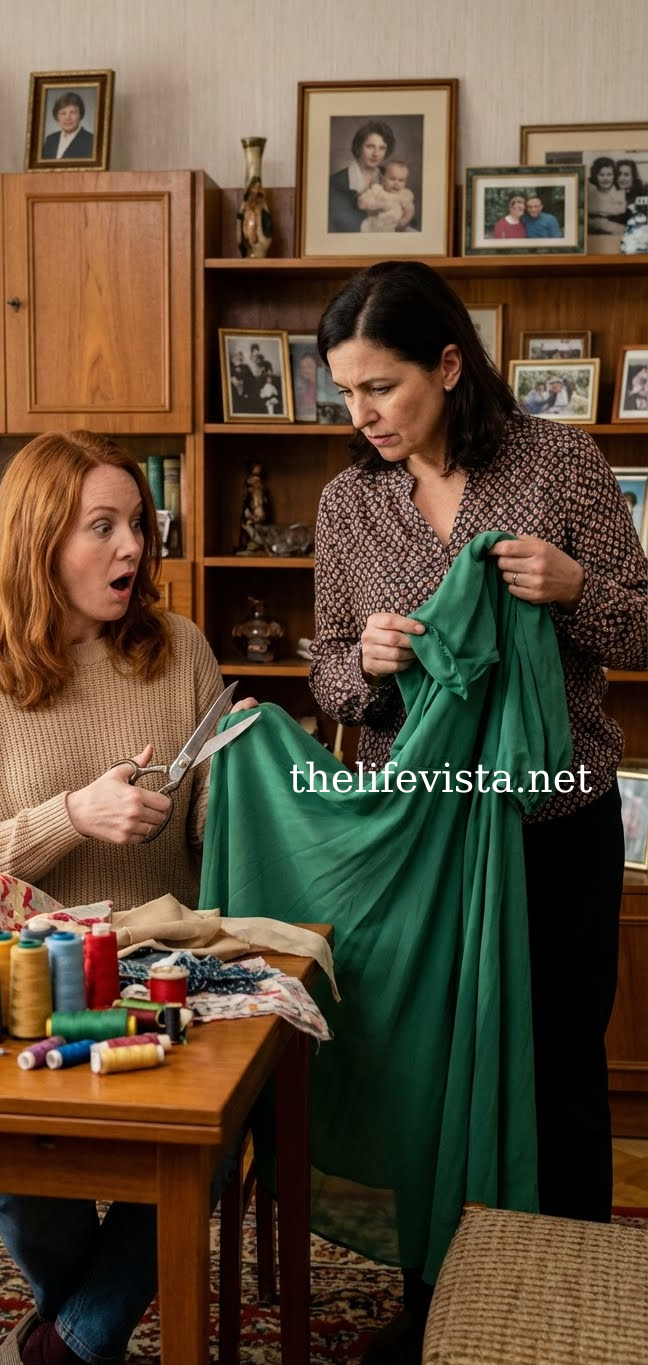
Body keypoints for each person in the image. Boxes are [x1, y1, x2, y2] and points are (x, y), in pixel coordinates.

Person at [310, 261, 647, 1363]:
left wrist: (576, 590)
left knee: (557, 1076)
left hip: (554, 833)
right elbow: (326, 674)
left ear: (450, 365)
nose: (362, 416)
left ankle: (567, 1314)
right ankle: (438, 1306)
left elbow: (644, 626)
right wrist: (365, 661)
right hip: (419, 842)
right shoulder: (349, 504)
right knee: (425, 1071)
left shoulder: (561, 462)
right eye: (346, 392)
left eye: (382, 387)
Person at [0, 430, 255, 1365]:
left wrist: (244, 776)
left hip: (167, 972)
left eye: (137, 523)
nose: (132, 547)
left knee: (217, 1124)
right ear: (38, 540)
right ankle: (83, 1333)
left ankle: (64, 1347)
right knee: (7, 1146)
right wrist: (73, 814)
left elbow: (212, 837)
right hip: (30, 979)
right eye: (102, 526)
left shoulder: (180, 648)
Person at [328, 119, 396, 233]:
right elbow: (342, 225)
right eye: (370, 146)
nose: (376, 154)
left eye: (382, 148)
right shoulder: (336, 182)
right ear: (359, 147)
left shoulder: (390, 177)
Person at [357, 160, 416, 233]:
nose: (396, 183)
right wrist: (377, 204)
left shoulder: (403, 194)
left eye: (401, 180)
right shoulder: (378, 190)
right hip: (376, 225)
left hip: (396, 227)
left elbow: (410, 210)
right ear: (384, 179)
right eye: (392, 179)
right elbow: (361, 202)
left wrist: (404, 220)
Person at [587, 157, 625, 253]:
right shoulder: (591, 194)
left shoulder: (621, 193)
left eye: (609, 174)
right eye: (601, 175)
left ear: (614, 176)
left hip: (619, 241)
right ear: (595, 176)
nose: (605, 178)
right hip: (595, 243)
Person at [41, 92, 94, 160]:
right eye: (63, 113)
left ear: (80, 115)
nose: (68, 118)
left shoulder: (91, 141)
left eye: (73, 112)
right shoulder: (50, 140)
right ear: (57, 116)